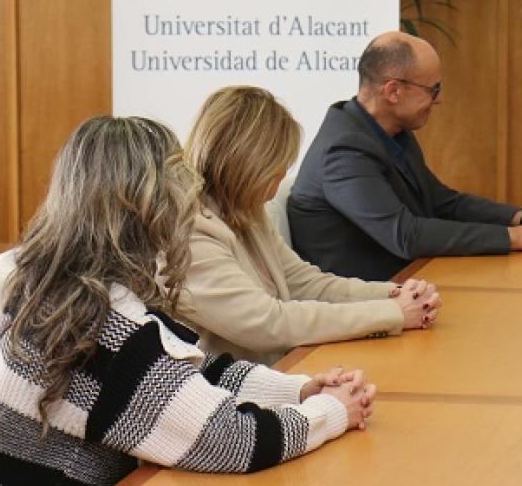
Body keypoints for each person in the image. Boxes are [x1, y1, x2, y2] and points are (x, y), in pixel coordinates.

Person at [0, 116, 375, 485]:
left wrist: (299, 390)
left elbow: (184, 373)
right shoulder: (101, 324)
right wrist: (333, 411)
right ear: (153, 206)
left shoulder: (58, 288)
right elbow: (229, 441)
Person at [289, 32, 522, 281]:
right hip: (360, 308)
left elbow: (444, 203)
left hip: (409, 286)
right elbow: (405, 235)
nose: (439, 99)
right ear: (393, 91)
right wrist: (517, 238)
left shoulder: (391, 132)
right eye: (433, 89)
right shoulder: (344, 151)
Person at [180, 86, 442, 366]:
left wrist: (392, 294)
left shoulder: (243, 208)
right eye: (277, 166)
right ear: (247, 164)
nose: (281, 176)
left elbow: (305, 283)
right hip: (229, 393)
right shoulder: (189, 231)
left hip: (277, 374)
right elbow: (268, 324)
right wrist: (392, 313)